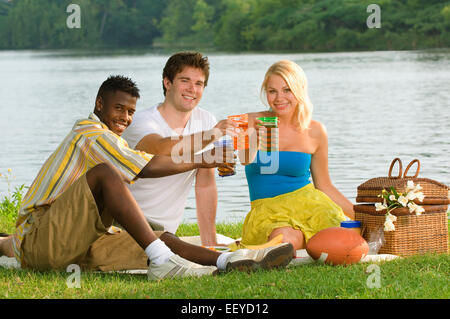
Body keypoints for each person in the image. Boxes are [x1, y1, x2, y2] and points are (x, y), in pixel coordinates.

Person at [0, 75, 294, 280]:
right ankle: (162, 262)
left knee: (155, 237)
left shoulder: (112, 140)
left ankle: (226, 261)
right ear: (99, 104)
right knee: (105, 174)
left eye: (130, 112)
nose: (125, 118)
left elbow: (143, 164)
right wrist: (202, 159)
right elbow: (147, 166)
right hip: (44, 242)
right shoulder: (89, 134)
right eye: (119, 109)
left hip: (71, 244)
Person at [238, 60, 355, 252]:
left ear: (299, 90)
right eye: (272, 91)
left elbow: (325, 186)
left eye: (287, 90)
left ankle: (318, 245)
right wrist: (253, 139)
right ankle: (275, 252)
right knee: (286, 239)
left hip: (310, 204)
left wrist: (362, 215)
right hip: (269, 210)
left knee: (346, 239)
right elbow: (243, 159)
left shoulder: (316, 131)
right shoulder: (250, 122)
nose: (279, 98)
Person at [122, 52, 236, 246]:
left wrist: (210, 243)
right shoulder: (140, 121)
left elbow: (205, 185)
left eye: (199, 83)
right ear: (167, 83)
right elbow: (161, 148)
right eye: (185, 81)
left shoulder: (205, 121)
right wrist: (212, 134)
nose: (192, 89)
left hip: (165, 233)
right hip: (125, 224)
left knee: (203, 255)